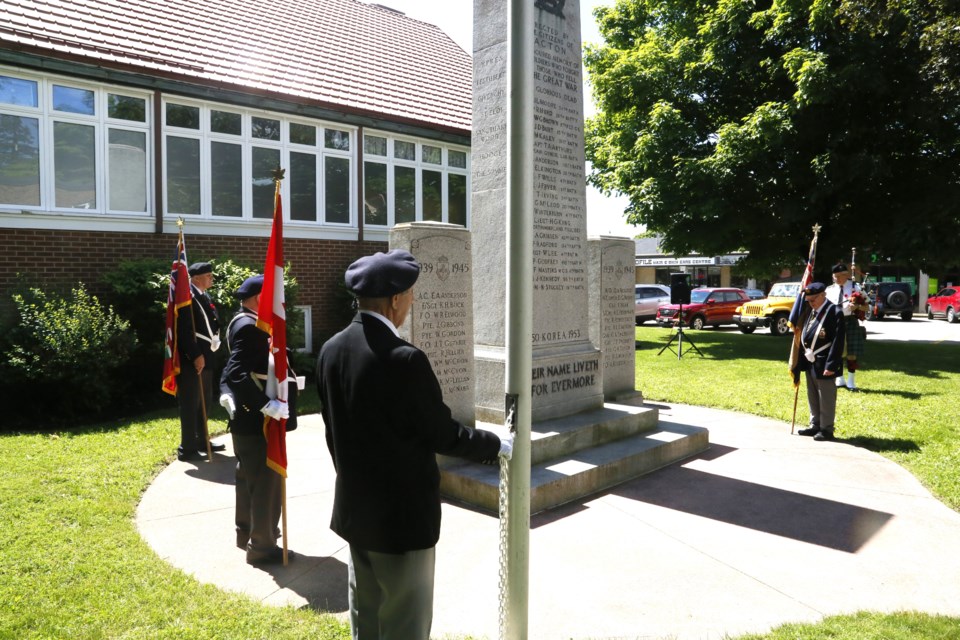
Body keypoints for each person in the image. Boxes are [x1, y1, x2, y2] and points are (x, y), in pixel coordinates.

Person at [316, 249, 513, 640]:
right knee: (405, 625)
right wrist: (497, 445)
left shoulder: (330, 349)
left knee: (366, 619)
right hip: (401, 521)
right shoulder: (404, 359)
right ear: (394, 300)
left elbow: (332, 433)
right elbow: (441, 433)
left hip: (357, 510)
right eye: (410, 294)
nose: (412, 301)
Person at [219, 275, 296, 565]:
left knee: (248, 477)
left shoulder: (241, 321)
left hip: (248, 420)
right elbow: (235, 374)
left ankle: (247, 533)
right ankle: (263, 547)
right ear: (257, 299)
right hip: (258, 421)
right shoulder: (251, 328)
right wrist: (266, 405)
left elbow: (229, 374)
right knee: (266, 483)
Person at [175, 261, 224, 461]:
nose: (211, 278)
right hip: (192, 359)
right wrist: (195, 355)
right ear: (195, 278)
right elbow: (184, 330)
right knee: (191, 403)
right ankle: (187, 448)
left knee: (205, 401)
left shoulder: (203, 296)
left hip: (206, 355)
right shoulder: (188, 297)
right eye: (208, 276)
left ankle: (202, 440)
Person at [794, 282, 846, 442]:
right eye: (808, 300)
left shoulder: (834, 312)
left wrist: (831, 365)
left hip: (825, 363)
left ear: (823, 295)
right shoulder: (812, 311)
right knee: (813, 395)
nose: (810, 303)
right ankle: (815, 424)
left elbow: (838, 342)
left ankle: (826, 429)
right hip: (811, 362)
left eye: (813, 299)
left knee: (826, 397)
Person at [825, 263, 864, 391]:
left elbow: (868, 306)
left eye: (840, 276)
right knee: (837, 350)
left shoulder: (856, 288)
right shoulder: (829, 290)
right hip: (835, 322)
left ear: (846, 275)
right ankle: (840, 379)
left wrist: (857, 306)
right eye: (835, 276)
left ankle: (851, 381)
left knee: (851, 352)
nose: (837, 279)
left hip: (850, 321)